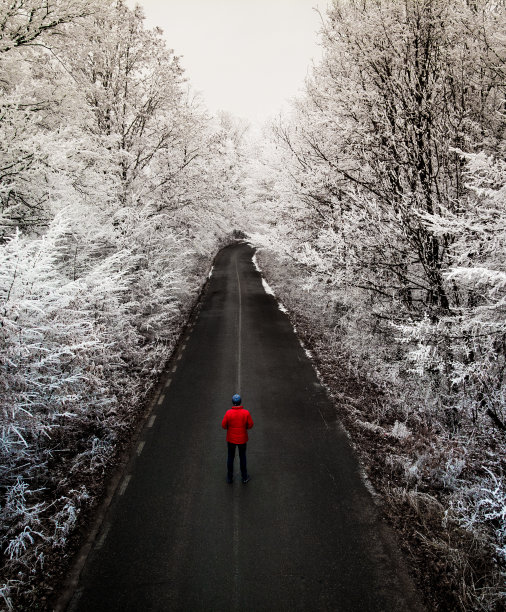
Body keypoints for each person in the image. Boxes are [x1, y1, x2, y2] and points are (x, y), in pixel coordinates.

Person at [222, 394, 253, 484]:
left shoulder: (228, 413)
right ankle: (244, 477)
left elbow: (223, 425)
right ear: (240, 402)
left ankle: (229, 478)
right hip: (242, 439)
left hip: (231, 439)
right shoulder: (246, 413)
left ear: (233, 402)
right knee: (242, 457)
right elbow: (250, 425)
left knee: (230, 457)